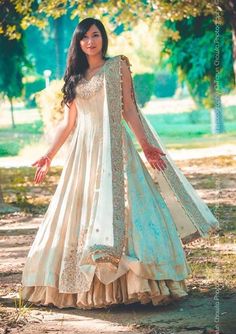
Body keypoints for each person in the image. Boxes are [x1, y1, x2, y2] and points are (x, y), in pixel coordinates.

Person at [21, 17, 219, 309]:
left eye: (96, 35)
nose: (91, 41)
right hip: (83, 154)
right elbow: (68, 123)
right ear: (77, 43)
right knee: (84, 211)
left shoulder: (117, 66)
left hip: (116, 148)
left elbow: (129, 110)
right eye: (85, 37)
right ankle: (85, 287)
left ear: (103, 38)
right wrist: (49, 155)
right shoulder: (75, 76)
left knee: (127, 208)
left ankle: (142, 283)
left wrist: (146, 145)